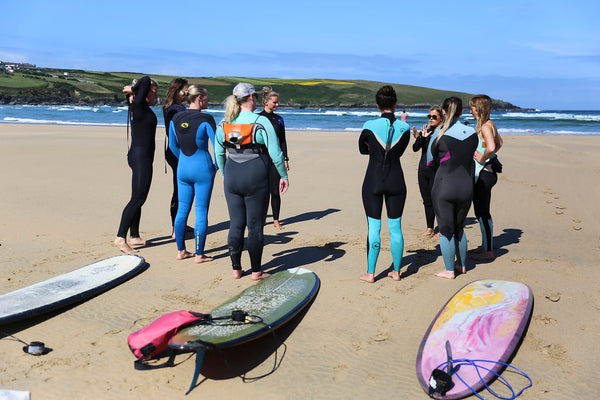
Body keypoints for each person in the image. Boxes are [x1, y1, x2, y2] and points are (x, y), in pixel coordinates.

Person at [215, 83, 289, 280]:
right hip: (255, 174)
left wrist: (224, 174)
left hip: (232, 173)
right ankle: (256, 271)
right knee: (255, 225)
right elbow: (276, 153)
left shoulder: (224, 123)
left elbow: (219, 153)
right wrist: (283, 175)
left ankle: (236, 269)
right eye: (255, 96)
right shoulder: (261, 122)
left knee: (236, 224)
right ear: (250, 99)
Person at [358, 85, 411, 283]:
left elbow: (363, 150)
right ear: (395, 105)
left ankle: (371, 273)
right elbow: (400, 151)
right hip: (396, 180)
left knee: (374, 227)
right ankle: (396, 272)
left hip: (373, 180)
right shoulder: (405, 128)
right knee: (395, 227)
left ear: (378, 104)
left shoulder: (369, 125)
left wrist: (374, 148)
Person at [426, 96, 478, 279]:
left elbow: (429, 161)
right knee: (459, 227)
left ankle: (449, 270)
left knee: (446, 230)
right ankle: (462, 265)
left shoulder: (439, 133)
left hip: (444, 186)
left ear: (444, 112)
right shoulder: (472, 132)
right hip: (466, 186)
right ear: (462, 112)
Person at [168, 85, 217, 263]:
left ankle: (181, 251)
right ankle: (199, 254)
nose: (208, 100)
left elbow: (172, 146)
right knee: (201, 211)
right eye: (206, 97)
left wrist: (183, 160)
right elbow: (217, 145)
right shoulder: (207, 118)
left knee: (182, 210)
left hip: (183, 168)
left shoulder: (176, 118)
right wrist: (217, 165)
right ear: (199, 98)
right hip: (202, 168)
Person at [114, 76, 158, 254]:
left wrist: (134, 91)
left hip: (140, 155)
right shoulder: (138, 104)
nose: (156, 96)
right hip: (141, 157)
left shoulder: (139, 105)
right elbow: (146, 79)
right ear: (145, 92)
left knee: (137, 196)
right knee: (138, 198)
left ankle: (134, 236)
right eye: (154, 92)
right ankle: (120, 238)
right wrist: (134, 89)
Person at [470, 94, 503, 261]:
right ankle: (485, 246)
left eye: (472, 108)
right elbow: (500, 143)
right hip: (488, 173)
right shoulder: (490, 124)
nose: (471, 111)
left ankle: (488, 251)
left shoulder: (484, 126)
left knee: (483, 212)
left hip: (484, 174)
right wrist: (488, 155)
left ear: (479, 109)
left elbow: (491, 146)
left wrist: (483, 158)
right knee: (481, 211)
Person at [258, 86, 289, 230]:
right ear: (265, 102)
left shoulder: (279, 119)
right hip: (260, 159)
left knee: (275, 191)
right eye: (274, 103)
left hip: (275, 159)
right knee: (261, 192)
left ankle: (276, 219)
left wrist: (286, 159)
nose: (277, 105)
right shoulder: (258, 118)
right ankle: (262, 219)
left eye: (277, 102)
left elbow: (282, 140)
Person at [163, 78, 189, 238]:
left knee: (180, 190)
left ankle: (179, 224)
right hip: (177, 153)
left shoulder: (172, 107)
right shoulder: (176, 109)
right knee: (179, 190)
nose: (187, 92)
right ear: (177, 91)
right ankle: (175, 228)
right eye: (185, 89)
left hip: (175, 152)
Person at [412, 106, 444, 237]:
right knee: (427, 200)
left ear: (441, 118)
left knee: (438, 201)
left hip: (436, 170)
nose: (431, 119)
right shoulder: (427, 131)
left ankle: (442, 229)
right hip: (423, 169)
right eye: (429, 116)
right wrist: (421, 137)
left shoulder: (443, 133)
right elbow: (415, 148)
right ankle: (430, 228)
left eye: (434, 117)